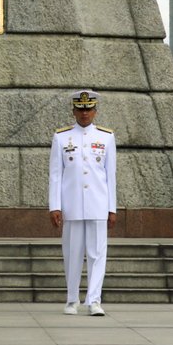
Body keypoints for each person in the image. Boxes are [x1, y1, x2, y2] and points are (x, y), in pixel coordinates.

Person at [48, 89, 117, 317]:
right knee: (73, 253)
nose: (85, 114)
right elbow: (56, 174)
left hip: (98, 203)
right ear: (73, 111)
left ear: (95, 111)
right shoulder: (61, 137)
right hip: (72, 205)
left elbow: (111, 175)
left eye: (88, 109)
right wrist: (55, 206)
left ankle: (94, 300)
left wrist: (111, 208)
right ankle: (71, 299)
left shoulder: (106, 137)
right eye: (80, 109)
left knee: (98, 254)